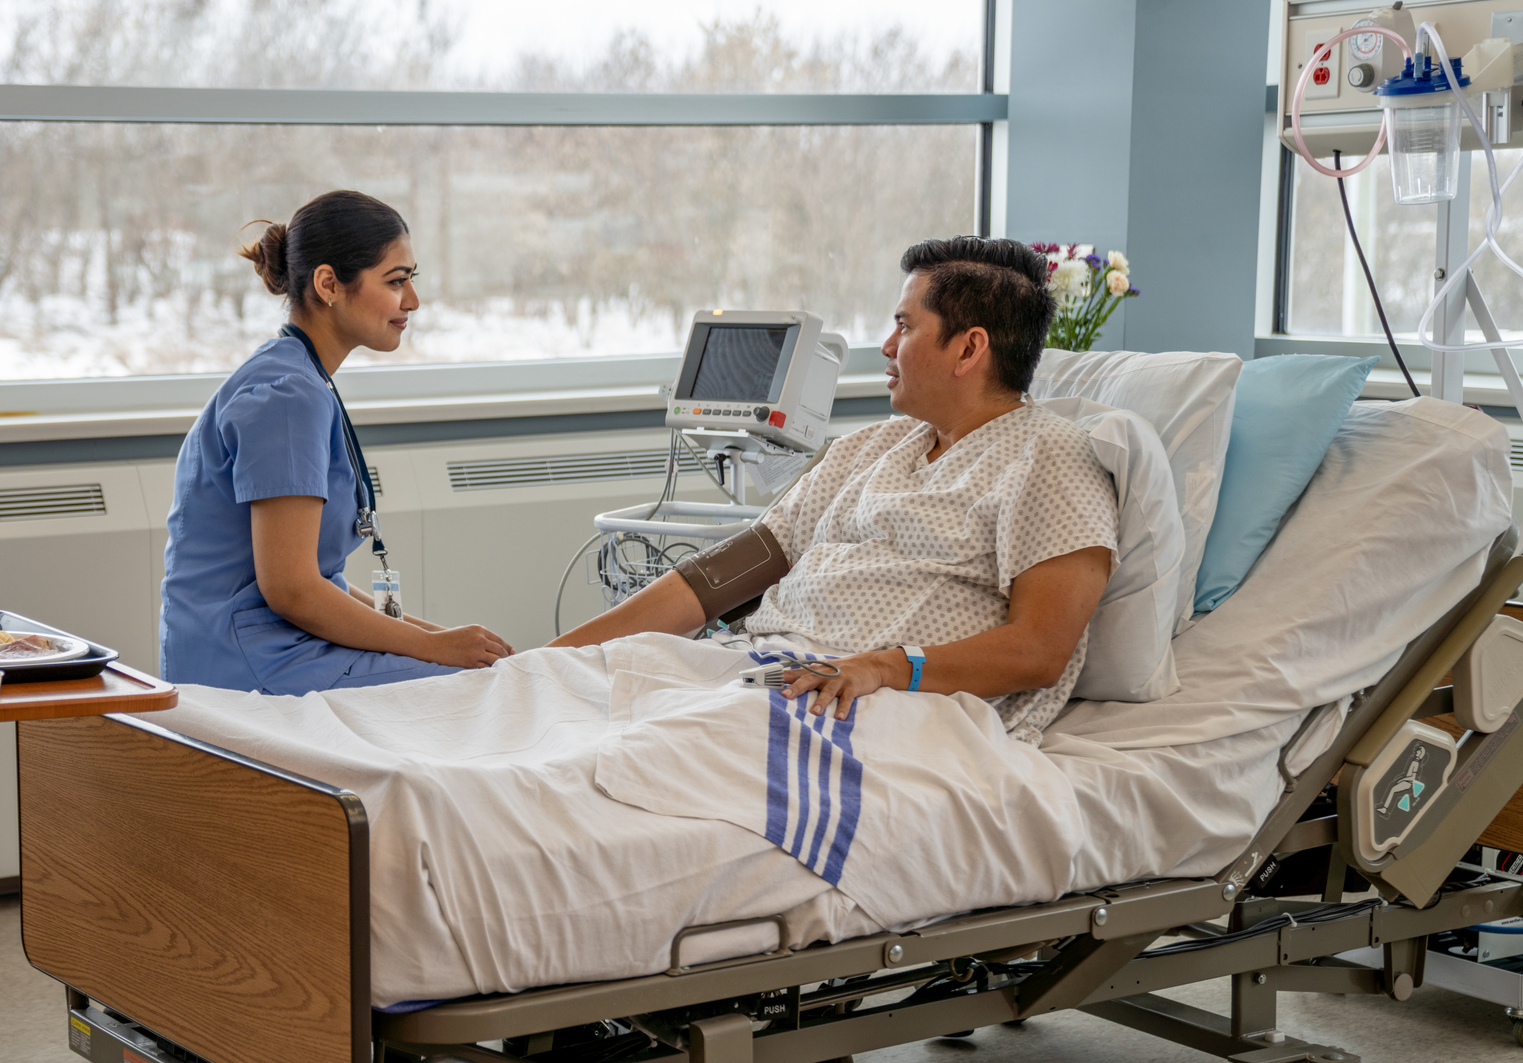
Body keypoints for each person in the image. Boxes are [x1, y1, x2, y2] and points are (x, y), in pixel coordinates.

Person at [549, 235, 1118, 745]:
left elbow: (1040, 649)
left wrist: (884, 667)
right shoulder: (868, 448)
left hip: (874, 700)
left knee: (613, 758)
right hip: (759, 667)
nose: (887, 346)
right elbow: (717, 580)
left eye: (905, 325)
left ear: (969, 349)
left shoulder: (1049, 457)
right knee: (562, 702)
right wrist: (550, 659)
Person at [159, 190, 514, 694]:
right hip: (249, 664)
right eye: (396, 281)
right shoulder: (287, 397)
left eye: (412, 280)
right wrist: (436, 649)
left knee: (486, 668)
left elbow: (317, 582)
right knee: (489, 689)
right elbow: (292, 590)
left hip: (271, 643)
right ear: (328, 283)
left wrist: (434, 634)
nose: (412, 300)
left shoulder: (298, 376)